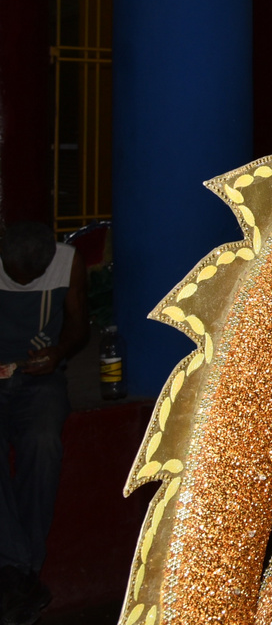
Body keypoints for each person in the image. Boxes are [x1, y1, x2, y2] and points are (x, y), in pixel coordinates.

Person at [0, 222, 88, 625]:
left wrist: (59, 351)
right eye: (15, 276)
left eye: (31, 278)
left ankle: (17, 572)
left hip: (40, 378)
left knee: (43, 442)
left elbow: (78, 323)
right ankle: (20, 571)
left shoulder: (67, 262)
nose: (23, 284)